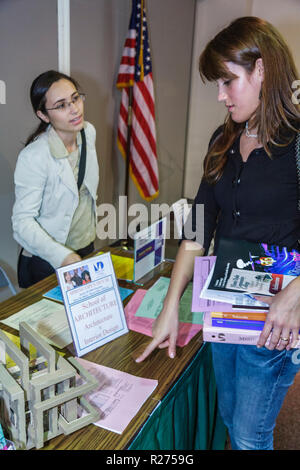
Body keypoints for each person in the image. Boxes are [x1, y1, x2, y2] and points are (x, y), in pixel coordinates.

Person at [135, 16, 300, 450]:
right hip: (223, 310)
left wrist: (297, 292)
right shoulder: (221, 140)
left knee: (249, 436)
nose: (222, 96)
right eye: (217, 84)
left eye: (228, 81)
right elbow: (196, 231)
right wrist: (172, 306)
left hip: (276, 320)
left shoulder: (298, 142)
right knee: (228, 416)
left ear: (262, 69)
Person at [12, 70, 99, 288]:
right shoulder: (34, 156)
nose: (74, 109)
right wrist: (62, 256)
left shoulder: (88, 132)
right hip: (48, 259)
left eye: (75, 98)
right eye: (61, 105)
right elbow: (22, 223)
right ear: (43, 115)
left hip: (84, 247)